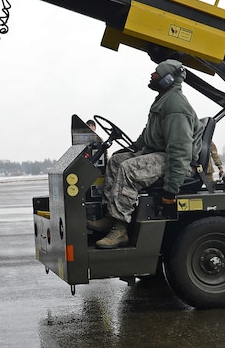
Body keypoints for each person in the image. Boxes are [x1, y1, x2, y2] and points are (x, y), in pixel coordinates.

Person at [87, 59, 203, 249]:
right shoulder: (163, 100)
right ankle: (111, 216)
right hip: (162, 155)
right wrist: (132, 148)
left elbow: (180, 151)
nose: (152, 75)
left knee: (128, 168)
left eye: (156, 72)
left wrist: (170, 190)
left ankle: (120, 229)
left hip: (178, 164)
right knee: (117, 160)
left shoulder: (176, 105)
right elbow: (148, 135)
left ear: (168, 79)